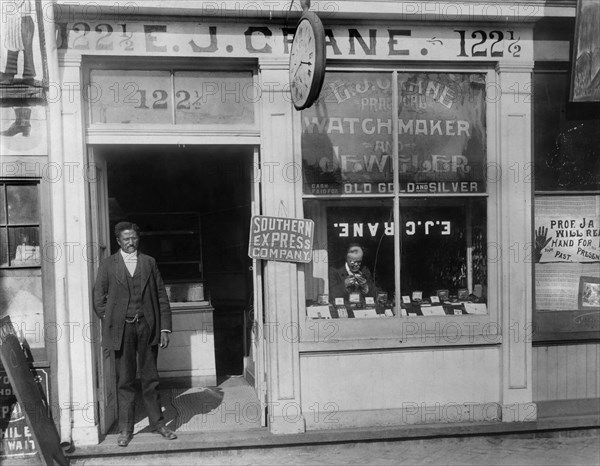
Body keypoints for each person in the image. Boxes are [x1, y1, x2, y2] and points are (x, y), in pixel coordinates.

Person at [93, 221, 177, 447]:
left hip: (146, 328)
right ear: (118, 241)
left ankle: (158, 424)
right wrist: (111, 320)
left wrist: (164, 328)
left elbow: (161, 297)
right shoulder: (108, 264)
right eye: (126, 239)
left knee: (150, 379)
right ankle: (125, 429)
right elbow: (98, 299)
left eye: (134, 238)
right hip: (122, 331)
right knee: (126, 381)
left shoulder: (149, 262)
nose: (131, 242)